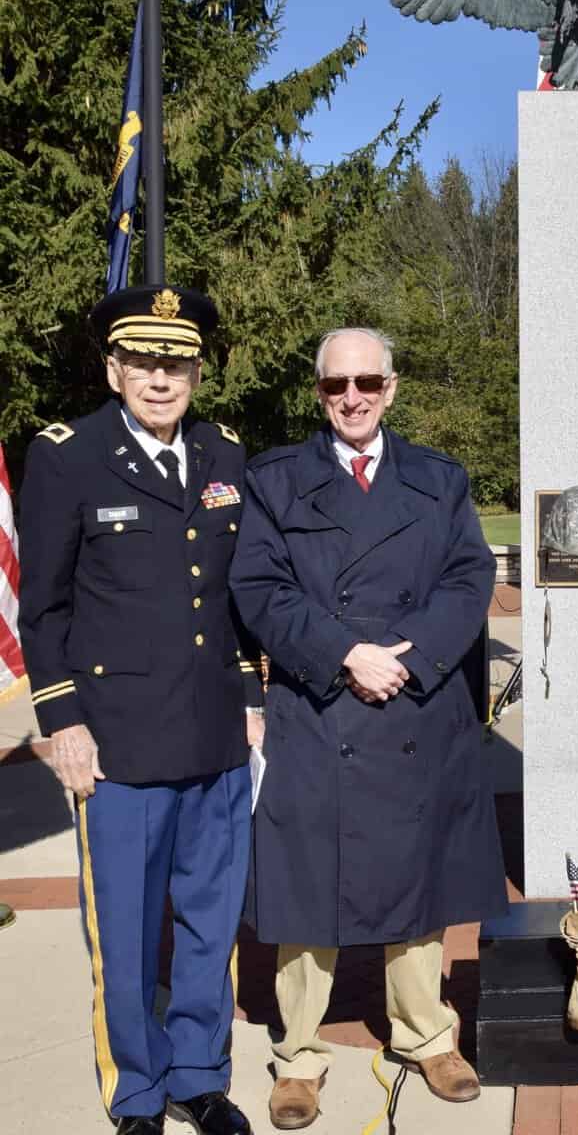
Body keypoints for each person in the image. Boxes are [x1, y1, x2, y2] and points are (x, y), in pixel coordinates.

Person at [228, 328, 508, 1130]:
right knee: (307, 884)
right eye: (334, 385)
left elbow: (467, 578)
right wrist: (345, 651)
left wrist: (407, 661)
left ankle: (427, 1036)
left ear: (391, 386)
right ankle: (299, 1056)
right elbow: (259, 586)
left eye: (366, 382)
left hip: (418, 703)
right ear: (317, 392)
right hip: (320, 705)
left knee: (417, 878)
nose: (351, 397)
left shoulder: (438, 478)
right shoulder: (275, 480)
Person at [17, 285, 261, 1135]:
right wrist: (62, 721)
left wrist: (252, 698)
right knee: (123, 933)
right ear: (115, 368)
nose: (162, 380)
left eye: (177, 363)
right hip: (114, 743)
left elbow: (235, 595)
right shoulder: (67, 456)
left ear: (197, 370)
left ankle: (199, 1075)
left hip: (215, 731)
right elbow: (40, 607)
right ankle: (137, 1092)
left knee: (209, 920)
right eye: (144, 363)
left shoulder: (225, 453)